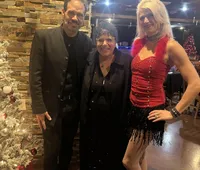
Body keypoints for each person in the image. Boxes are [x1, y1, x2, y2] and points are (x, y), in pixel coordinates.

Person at [122, 0, 200, 170]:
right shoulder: (139, 42)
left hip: (151, 112)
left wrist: (174, 112)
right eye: (142, 17)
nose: (146, 20)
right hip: (134, 108)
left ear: (161, 17)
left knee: (128, 161)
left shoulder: (171, 46)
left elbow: (195, 82)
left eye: (151, 15)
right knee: (140, 156)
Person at [29, 0, 92, 169]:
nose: (74, 18)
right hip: (50, 110)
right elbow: (35, 75)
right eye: (71, 12)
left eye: (79, 15)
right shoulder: (43, 37)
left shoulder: (88, 43)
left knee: (67, 150)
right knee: (50, 151)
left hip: (74, 109)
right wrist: (38, 107)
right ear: (63, 13)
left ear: (84, 18)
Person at [80, 21, 131, 170]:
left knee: (112, 162)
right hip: (91, 125)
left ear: (115, 41)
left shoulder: (126, 63)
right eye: (100, 39)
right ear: (95, 41)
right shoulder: (89, 60)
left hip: (116, 126)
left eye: (109, 39)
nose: (104, 44)